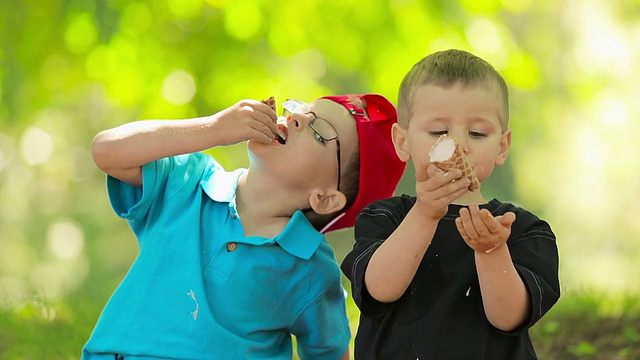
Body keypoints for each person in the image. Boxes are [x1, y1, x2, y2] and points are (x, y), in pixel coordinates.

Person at [82, 93, 406, 359]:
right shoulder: (190, 181)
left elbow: (329, 355)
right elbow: (106, 151)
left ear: (324, 199)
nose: (295, 118)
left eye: (318, 130)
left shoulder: (311, 269)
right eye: (302, 109)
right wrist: (214, 128)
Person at [341, 49, 560, 359]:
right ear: (402, 142)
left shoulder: (520, 229)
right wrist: (425, 214)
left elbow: (509, 318)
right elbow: (379, 290)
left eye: (477, 133)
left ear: (502, 146)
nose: (459, 144)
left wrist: (492, 251)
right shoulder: (385, 217)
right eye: (439, 132)